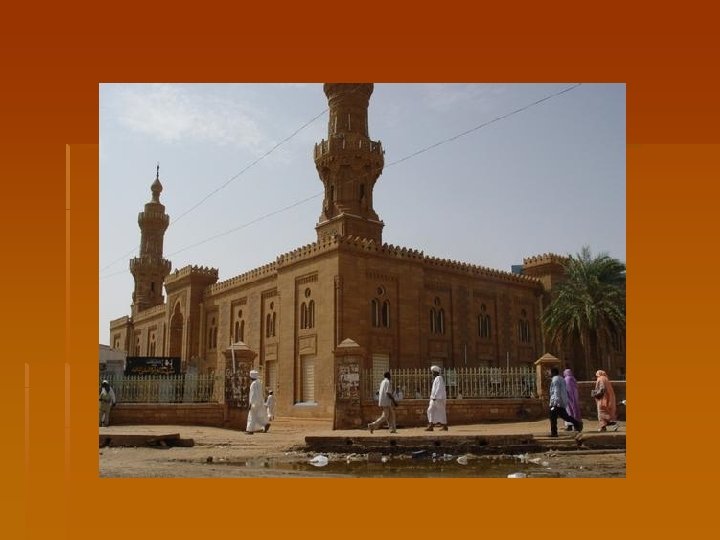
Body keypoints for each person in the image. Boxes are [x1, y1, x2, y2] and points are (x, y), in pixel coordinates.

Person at [548, 367, 583, 437]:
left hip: (556, 402)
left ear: (553, 373)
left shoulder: (555, 380)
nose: (548, 373)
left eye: (549, 372)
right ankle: (577, 423)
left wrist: (555, 403)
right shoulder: (561, 378)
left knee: (553, 417)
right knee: (564, 416)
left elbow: (556, 391)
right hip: (561, 401)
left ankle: (554, 433)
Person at [246, 370, 270, 434]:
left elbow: (253, 395)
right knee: (257, 416)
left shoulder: (253, 384)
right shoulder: (259, 382)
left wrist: (251, 403)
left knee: (251, 416)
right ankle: (265, 424)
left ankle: (250, 430)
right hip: (259, 402)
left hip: (254, 403)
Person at [425, 365, 448, 431]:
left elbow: (439, 388)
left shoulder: (439, 378)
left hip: (438, 398)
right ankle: (431, 425)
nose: (432, 373)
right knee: (430, 410)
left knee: (441, 411)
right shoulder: (436, 379)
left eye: (433, 372)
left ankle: (444, 425)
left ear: (435, 372)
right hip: (434, 398)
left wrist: (435, 396)